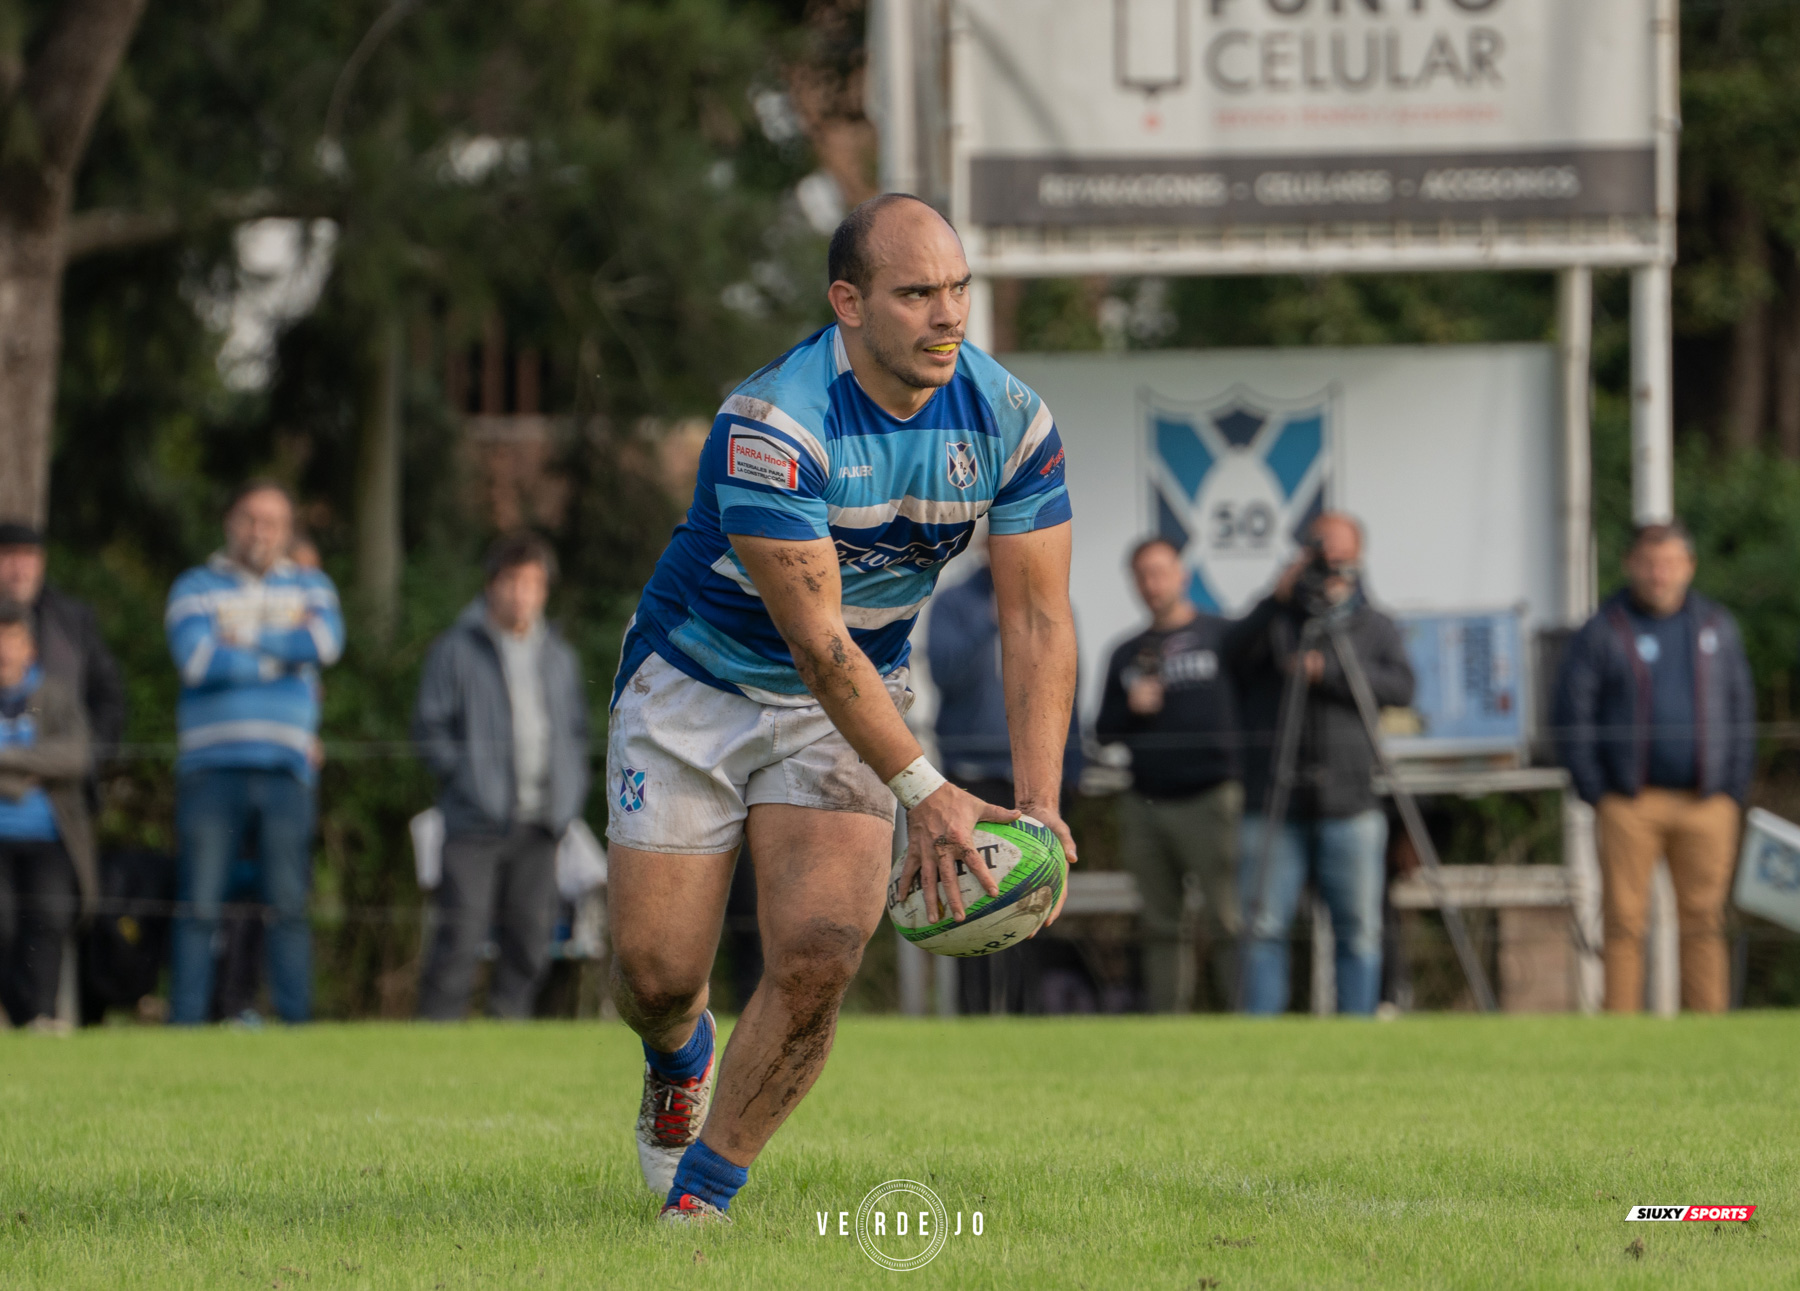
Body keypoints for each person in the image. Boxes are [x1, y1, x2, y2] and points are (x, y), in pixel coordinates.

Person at [607, 192, 1076, 1224]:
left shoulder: (1010, 419)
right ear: (849, 303)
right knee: (654, 972)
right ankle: (679, 1058)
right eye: (917, 294)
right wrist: (927, 791)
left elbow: (1037, 618)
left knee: (820, 949)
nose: (949, 314)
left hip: (847, 705)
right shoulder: (773, 425)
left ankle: (705, 1199)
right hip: (697, 687)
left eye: (959, 289)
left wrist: (1037, 806)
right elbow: (817, 644)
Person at [1553, 520, 1754, 1013]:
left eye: (1669, 563)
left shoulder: (1716, 626)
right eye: (1649, 563)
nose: (1659, 574)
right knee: (1623, 921)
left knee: (1704, 921)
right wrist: (1598, 790)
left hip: (1707, 802)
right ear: (1629, 565)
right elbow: (1572, 715)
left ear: (1688, 567)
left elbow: (1740, 709)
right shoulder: (1603, 630)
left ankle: (1708, 1030)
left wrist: (1731, 788)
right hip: (1628, 802)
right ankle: (1623, 1031)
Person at [164, 481, 343, 1025]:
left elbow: (326, 644)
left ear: (286, 531)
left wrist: (240, 636)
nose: (259, 531)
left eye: (272, 522)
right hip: (209, 770)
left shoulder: (312, 586)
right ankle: (185, 1027)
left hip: (287, 770)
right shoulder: (193, 586)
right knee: (198, 904)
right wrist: (280, 651)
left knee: (288, 905)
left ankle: (295, 1025)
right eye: (249, 519)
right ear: (229, 522)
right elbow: (197, 661)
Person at [1225, 513, 1414, 1017]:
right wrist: (1273, 600)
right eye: (1320, 557)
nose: (1329, 569)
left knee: (1359, 928)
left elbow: (1402, 688)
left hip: (1350, 802)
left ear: (1358, 561)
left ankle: (1357, 1035)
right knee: (1262, 926)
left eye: (1340, 559)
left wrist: (1327, 669)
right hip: (1274, 802)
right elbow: (1227, 656)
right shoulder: (1278, 619)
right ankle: (1261, 1036)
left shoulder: (1375, 625)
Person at [412, 532, 590, 1020]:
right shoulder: (455, 649)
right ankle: (430, 1044)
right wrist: (467, 781)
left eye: (533, 583)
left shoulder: (560, 656)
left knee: (531, 944)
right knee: (460, 941)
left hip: (541, 825)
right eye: (512, 582)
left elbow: (576, 733)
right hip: (473, 824)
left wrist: (568, 798)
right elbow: (430, 728)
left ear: (545, 591)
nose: (521, 594)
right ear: (491, 585)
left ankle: (505, 1039)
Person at [925, 526, 1082, 1014]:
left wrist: (1070, 770)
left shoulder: (1051, 604)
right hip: (972, 778)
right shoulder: (953, 602)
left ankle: (1025, 1011)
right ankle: (973, 1014)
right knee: (971, 898)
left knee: (1028, 897)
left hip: (1030, 784)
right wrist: (993, 623)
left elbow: (1068, 692)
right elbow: (945, 673)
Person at [1095, 537, 1242, 1012]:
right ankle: (1168, 1024)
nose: (1153, 583)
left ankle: (1248, 1019)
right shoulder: (1125, 653)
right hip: (1147, 802)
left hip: (1213, 797)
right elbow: (1103, 730)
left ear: (1182, 574)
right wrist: (1132, 709)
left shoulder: (1223, 636)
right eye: (1143, 575)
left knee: (1229, 920)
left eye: (1161, 571)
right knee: (1160, 923)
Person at [0, 601, 95, 1029]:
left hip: (47, 836)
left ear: (29, 648)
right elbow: (52, 761)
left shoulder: (55, 696)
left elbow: (75, 756)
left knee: (49, 913)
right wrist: (30, 772)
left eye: (12, 639)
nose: (4, 650)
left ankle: (39, 1015)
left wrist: (6, 761)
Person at [0, 522, 126, 777]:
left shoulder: (72, 620)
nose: (19, 569)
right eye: (10, 556)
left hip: (58, 785)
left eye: (29, 557)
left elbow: (109, 696)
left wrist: (87, 753)